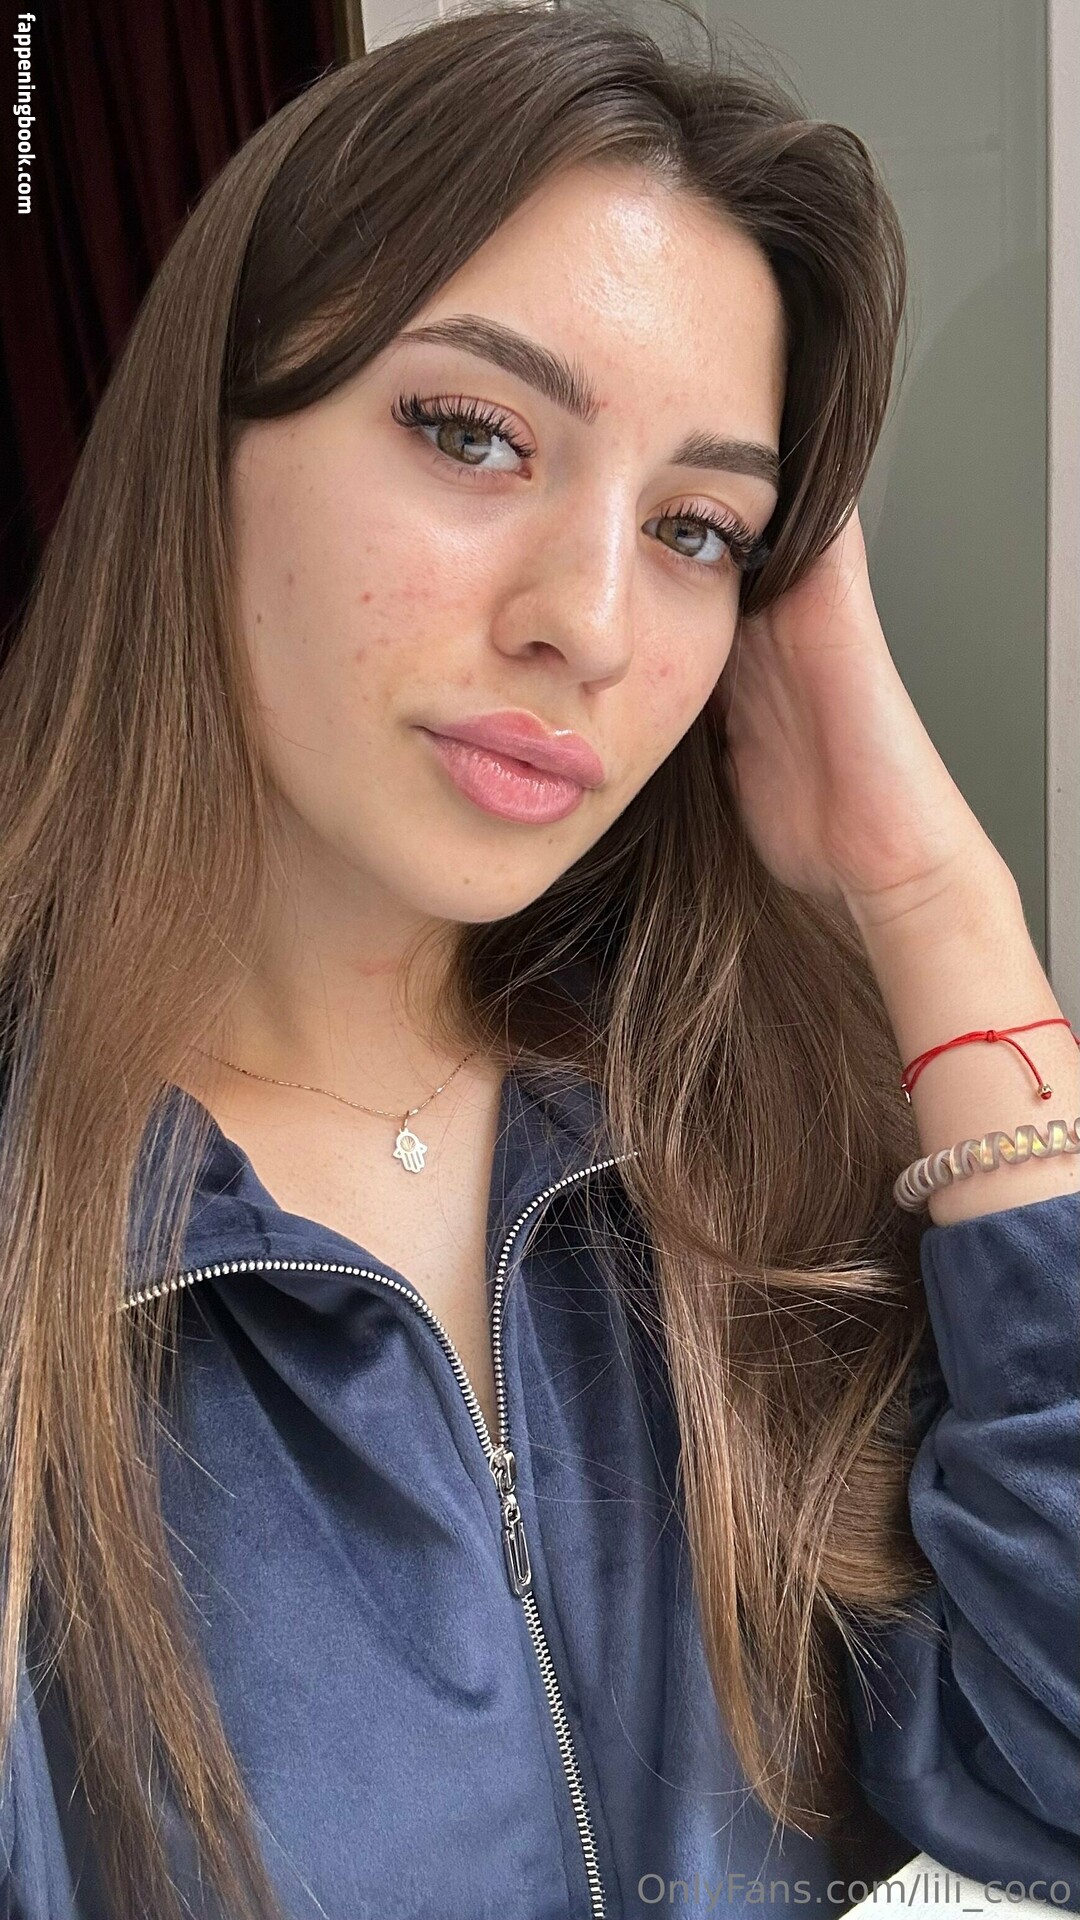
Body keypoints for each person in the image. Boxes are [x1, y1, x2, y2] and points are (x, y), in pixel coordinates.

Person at [1, 4, 1077, 1916]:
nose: (590, 619)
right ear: (207, 443)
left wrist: (935, 903)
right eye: (473, 433)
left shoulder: (753, 1146)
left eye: (698, 530)